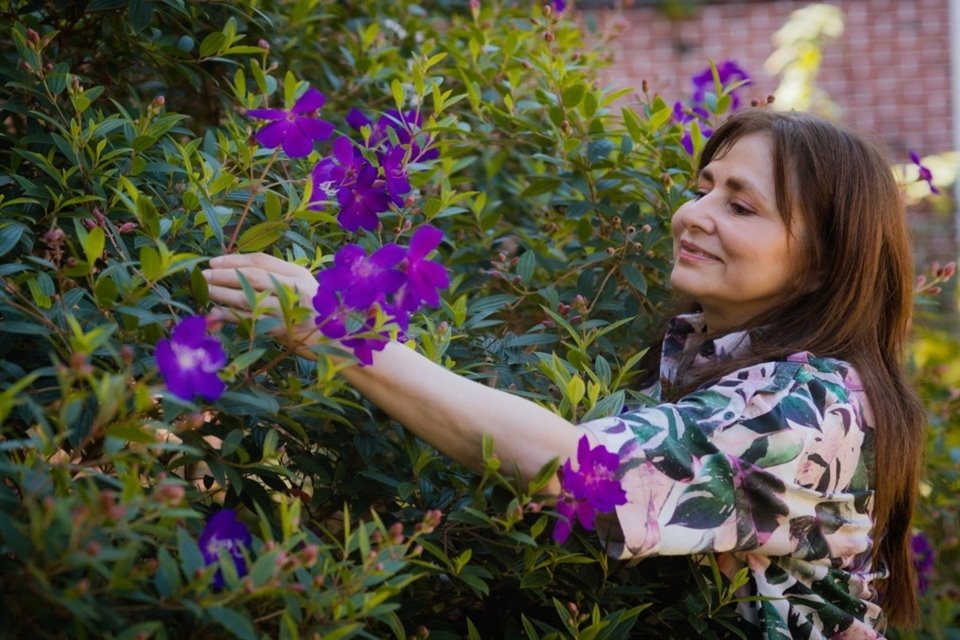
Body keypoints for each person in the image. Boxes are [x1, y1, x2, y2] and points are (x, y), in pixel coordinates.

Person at [202, 108, 925, 638]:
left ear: (822, 265)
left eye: (739, 204)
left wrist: (333, 325)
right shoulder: (703, 361)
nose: (692, 213)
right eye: (703, 186)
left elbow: (571, 466)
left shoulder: (811, 409)